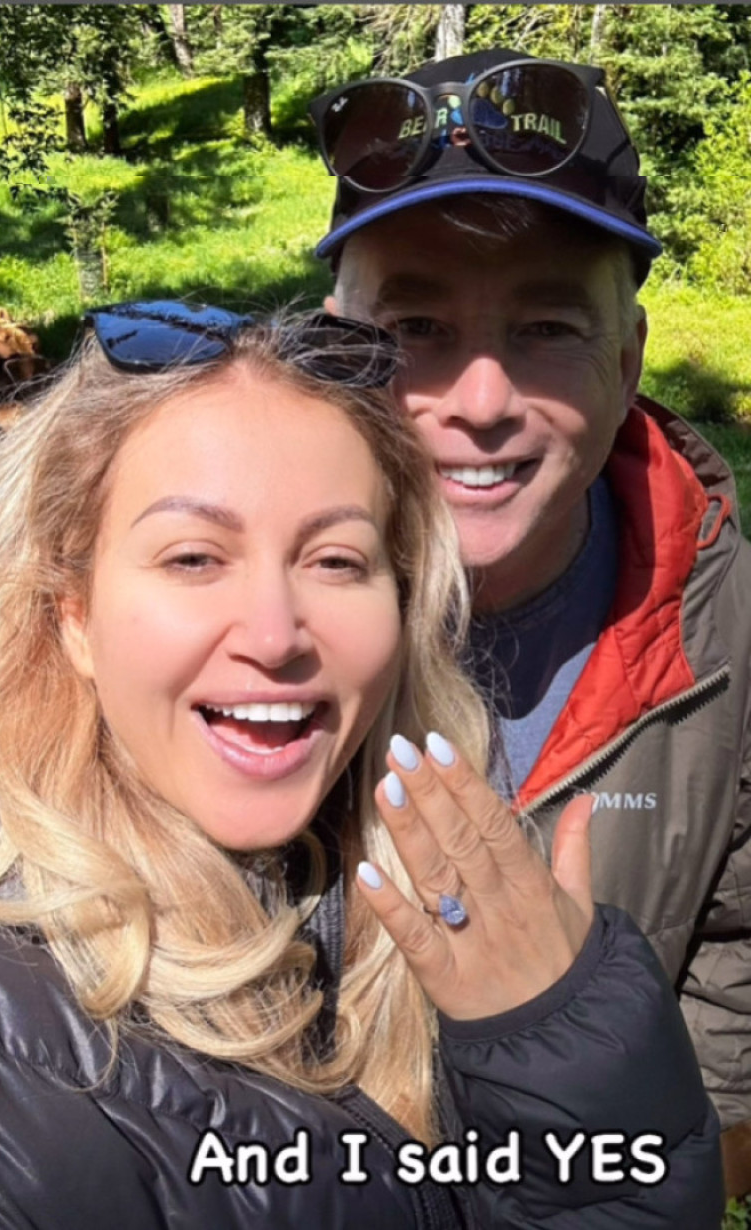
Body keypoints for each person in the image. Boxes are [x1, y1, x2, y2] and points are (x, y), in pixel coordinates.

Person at [0, 302, 723, 1227]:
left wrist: (562, 1057)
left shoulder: (419, 908)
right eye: (194, 558)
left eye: (335, 561)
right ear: (72, 615)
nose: (275, 634)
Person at [310, 48, 751, 1195]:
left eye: (547, 327)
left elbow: (733, 966)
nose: (481, 402)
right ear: (332, 345)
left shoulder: (731, 639)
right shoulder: (198, 607)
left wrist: (637, 1170)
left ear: (628, 357)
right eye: (414, 326)